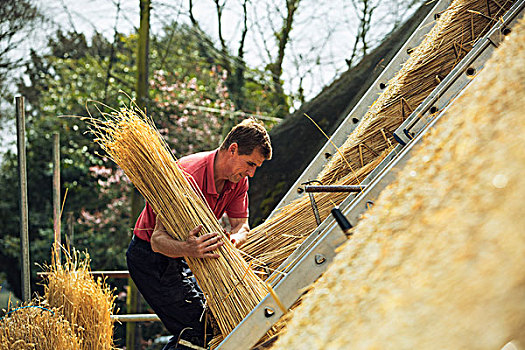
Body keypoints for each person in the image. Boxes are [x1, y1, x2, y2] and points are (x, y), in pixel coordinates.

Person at [126, 118, 272, 350]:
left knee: (202, 327)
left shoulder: (238, 181)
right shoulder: (186, 176)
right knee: (197, 330)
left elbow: (242, 226)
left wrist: (233, 241)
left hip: (186, 258)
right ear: (233, 149)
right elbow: (157, 241)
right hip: (151, 259)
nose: (251, 174)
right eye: (250, 164)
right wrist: (188, 249)